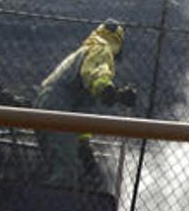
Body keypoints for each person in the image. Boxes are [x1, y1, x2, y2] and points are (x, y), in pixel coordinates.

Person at [34, 19, 137, 189]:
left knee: (61, 167)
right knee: (65, 173)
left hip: (49, 104)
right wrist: (108, 90)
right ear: (118, 43)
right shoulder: (102, 48)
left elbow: (79, 109)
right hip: (57, 107)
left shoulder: (86, 48)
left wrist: (84, 146)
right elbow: (95, 72)